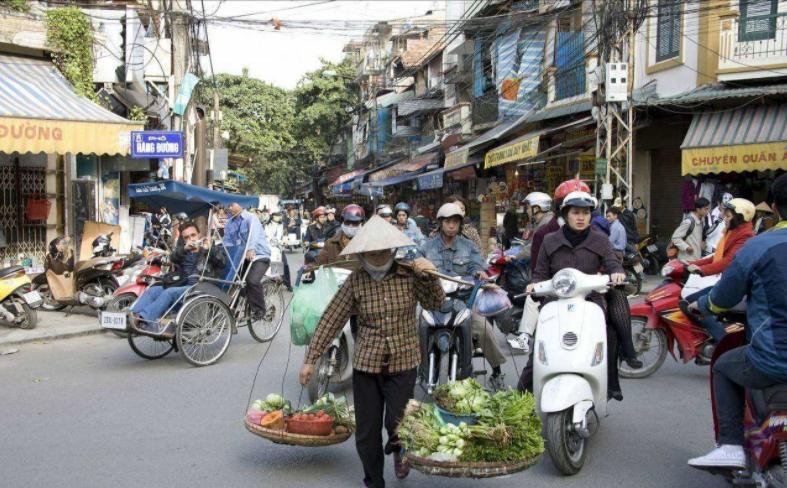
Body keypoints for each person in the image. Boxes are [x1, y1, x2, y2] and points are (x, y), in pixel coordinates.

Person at [299, 216, 444, 488]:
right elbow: (331, 319)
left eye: (382, 251)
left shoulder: (410, 274)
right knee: (366, 432)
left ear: (392, 250)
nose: (377, 257)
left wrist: (430, 275)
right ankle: (374, 480)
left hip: (403, 360)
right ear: (362, 253)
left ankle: (400, 450)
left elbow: (436, 302)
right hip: (367, 363)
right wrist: (310, 359)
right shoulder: (356, 281)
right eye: (371, 253)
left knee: (397, 423)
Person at [687, 174, 787, 471]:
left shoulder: (757, 246)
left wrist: (701, 304)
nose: (724, 216)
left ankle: (731, 444)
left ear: (775, 208)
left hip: (773, 359)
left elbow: (723, 298)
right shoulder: (742, 237)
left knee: (723, 366)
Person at [517, 191, 637, 400]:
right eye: (575, 212)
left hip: (590, 298)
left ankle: (612, 378)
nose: (581, 217)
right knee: (541, 345)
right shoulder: (549, 240)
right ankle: (520, 394)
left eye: (585, 213)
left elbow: (612, 263)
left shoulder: (600, 239)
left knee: (607, 330)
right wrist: (534, 285)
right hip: (556, 300)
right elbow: (540, 272)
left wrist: (617, 273)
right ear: (566, 214)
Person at [419, 203, 508, 390]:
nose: (452, 225)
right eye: (448, 222)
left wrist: (479, 273)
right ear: (440, 223)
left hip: (463, 302)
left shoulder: (469, 246)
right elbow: (417, 263)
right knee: (413, 326)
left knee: (483, 328)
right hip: (433, 302)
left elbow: (477, 265)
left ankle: (497, 371)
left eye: (455, 222)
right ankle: (418, 369)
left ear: (460, 224)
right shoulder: (427, 247)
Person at [130, 221, 226, 334]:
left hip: (201, 287)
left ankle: (144, 319)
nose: (191, 239)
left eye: (193, 235)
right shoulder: (184, 250)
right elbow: (172, 259)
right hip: (182, 285)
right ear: (184, 239)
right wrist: (184, 249)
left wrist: (210, 248)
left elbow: (222, 263)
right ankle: (132, 316)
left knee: (169, 292)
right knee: (153, 290)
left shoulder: (210, 249)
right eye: (187, 237)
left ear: (199, 234)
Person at [685, 198, 756, 342]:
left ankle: (721, 340)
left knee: (693, 304)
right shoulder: (733, 232)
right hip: (730, 282)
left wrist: (701, 271)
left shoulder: (745, 236)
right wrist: (693, 263)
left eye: (728, 216)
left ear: (739, 218)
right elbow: (716, 256)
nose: (724, 218)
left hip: (738, 288)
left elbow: (727, 262)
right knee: (689, 299)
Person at [506, 191, 554, 352]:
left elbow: (533, 249)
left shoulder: (547, 225)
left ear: (537, 207)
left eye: (528, 207)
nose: (526, 211)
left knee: (532, 298)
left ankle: (524, 337)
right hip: (548, 271)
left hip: (552, 273)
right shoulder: (542, 223)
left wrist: (514, 256)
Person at [224, 201, 272, 321]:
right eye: (228, 205)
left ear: (240, 204)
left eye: (231, 204)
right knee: (233, 281)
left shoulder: (251, 218)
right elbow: (228, 241)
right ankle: (232, 308)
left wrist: (251, 249)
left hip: (259, 256)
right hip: (241, 258)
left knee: (252, 281)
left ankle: (260, 310)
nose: (229, 207)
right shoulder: (230, 223)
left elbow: (254, 236)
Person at [315, 204, 366, 271]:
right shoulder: (331, 243)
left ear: (361, 223)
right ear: (343, 222)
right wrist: (309, 270)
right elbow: (319, 262)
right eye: (347, 222)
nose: (350, 226)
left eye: (355, 222)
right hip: (335, 280)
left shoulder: (368, 244)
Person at [264, 209, 293, 292]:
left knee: (285, 265)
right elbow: (270, 238)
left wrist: (286, 240)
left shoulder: (282, 225)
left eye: (279, 215)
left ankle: (288, 284)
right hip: (271, 249)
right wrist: (280, 242)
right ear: (272, 216)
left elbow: (284, 235)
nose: (278, 217)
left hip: (279, 248)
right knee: (275, 265)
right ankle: (275, 284)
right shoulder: (267, 225)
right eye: (276, 215)